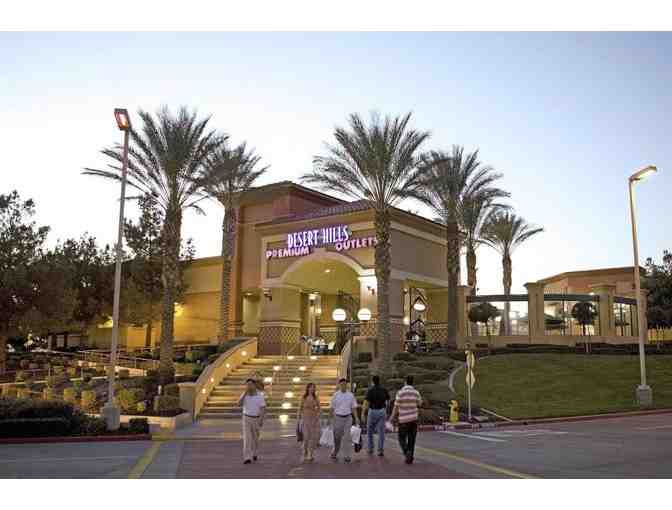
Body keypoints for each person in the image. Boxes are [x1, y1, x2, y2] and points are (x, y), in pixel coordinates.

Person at [391, 375, 422, 464]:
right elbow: (420, 403)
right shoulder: (416, 392)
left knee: (401, 438)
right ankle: (410, 457)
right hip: (414, 419)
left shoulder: (400, 393)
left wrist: (392, 417)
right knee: (412, 439)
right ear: (412, 382)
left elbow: (396, 406)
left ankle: (406, 452)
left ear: (405, 382)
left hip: (403, 420)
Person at [330, 377, 359, 463]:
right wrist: (330, 418)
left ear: (347, 385)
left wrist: (356, 418)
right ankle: (335, 451)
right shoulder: (335, 395)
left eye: (345, 384)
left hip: (348, 418)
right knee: (337, 437)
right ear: (339, 385)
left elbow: (353, 407)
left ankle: (347, 455)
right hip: (338, 418)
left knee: (347, 437)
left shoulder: (350, 395)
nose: (343, 386)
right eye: (342, 385)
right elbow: (332, 407)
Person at [238, 378, 266, 464]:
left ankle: (255, 453)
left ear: (254, 385)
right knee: (247, 438)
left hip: (256, 418)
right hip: (246, 418)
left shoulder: (260, 395)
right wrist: (244, 393)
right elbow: (239, 403)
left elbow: (262, 408)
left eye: (250, 384)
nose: (248, 386)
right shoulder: (244, 394)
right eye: (247, 385)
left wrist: (261, 419)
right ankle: (247, 457)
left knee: (255, 438)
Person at [363, 375, 390, 456]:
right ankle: (380, 450)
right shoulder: (384, 389)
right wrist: (386, 409)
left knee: (369, 430)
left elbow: (366, 402)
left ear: (372, 381)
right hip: (382, 411)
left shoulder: (370, 390)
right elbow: (388, 400)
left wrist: (363, 413)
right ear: (379, 381)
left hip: (372, 411)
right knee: (381, 432)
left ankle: (370, 449)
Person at [297, 382, 321, 462]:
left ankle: (310, 454)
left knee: (313, 437)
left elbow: (319, 408)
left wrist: (318, 416)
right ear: (307, 388)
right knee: (306, 437)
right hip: (305, 419)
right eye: (310, 387)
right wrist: (298, 419)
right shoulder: (303, 397)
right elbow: (300, 408)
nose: (312, 389)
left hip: (313, 419)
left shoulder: (315, 397)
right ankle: (305, 451)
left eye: (313, 387)